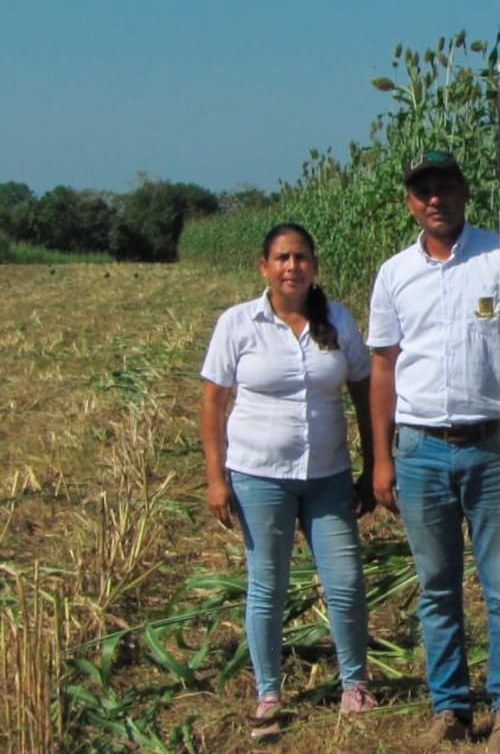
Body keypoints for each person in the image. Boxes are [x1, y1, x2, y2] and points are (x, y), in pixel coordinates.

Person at [200, 223, 378, 740]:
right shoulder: (238, 324)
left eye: (301, 258)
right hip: (259, 476)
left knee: (345, 581)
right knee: (267, 584)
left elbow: (364, 393)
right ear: (264, 267)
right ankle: (269, 692)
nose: (292, 267)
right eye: (282, 258)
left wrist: (371, 465)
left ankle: (356, 684)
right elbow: (213, 401)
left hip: (327, 475)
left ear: (314, 266)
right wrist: (216, 477)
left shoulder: (337, 320)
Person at [367, 151, 500, 752]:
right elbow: (382, 367)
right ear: (409, 202)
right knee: (438, 587)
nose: (435, 199)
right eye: (423, 191)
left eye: (445, 187)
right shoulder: (395, 273)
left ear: (463, 193)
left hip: (494, 445)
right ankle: (449, 708)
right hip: (421, 447)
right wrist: (381, 456)